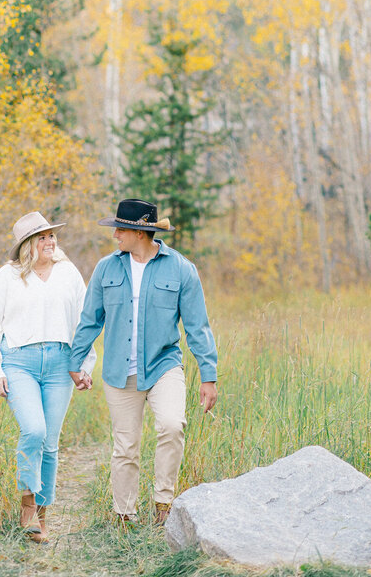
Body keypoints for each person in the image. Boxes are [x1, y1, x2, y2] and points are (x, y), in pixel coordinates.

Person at [68, 198, 218, 527]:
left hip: (164, 366)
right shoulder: (106, 268)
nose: (115, 234)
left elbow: (198, 327)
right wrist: (75, 361)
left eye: (121, 229)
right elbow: (90, 320)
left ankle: (163, 504)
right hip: (120, 374)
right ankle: (125, 515)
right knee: (126, 447)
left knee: (171, 425)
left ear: (141, 233)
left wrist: (209, 376)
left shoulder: (180, 268)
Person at [0, 211, 96, 543]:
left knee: (50, 442)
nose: (50, 241)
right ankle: (27, 504)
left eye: (52, 236)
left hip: (61, 363)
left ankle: (42, 519)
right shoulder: (6, 277)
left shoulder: (68, 273)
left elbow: (83, 323)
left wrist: (84, 364)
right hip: (19, 363)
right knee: (34, 429)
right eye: (43, 237)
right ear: (28, 244)